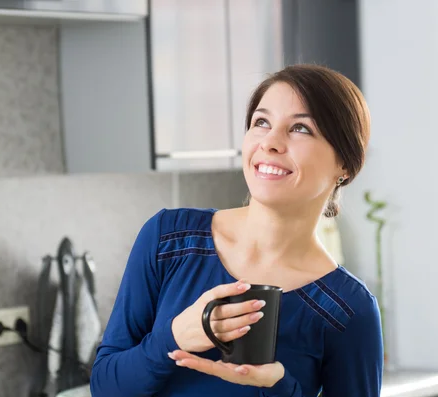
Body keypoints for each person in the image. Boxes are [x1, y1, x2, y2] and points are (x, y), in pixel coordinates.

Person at [90, 64, 383, 396]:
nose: (270, 142)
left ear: (345, 165)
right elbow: (104, 388)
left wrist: (278, 387)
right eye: (261, 122)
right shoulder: (169, 239)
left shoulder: (346, 308)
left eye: (300, 128)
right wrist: (171, 339)